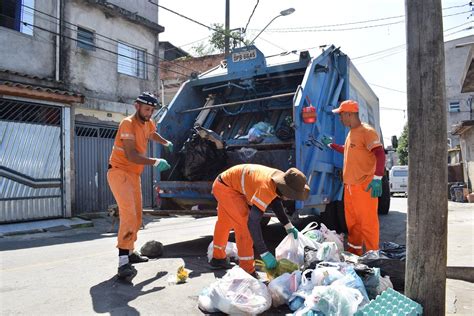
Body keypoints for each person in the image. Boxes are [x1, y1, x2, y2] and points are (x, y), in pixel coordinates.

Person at [107, 92, 173, 281]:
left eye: (152, 110)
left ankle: (130, 252)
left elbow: (152, 133)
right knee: (128, 214)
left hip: (134, 175)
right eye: (146, 109)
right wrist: (155, 161)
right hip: (119, 172)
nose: (149, 113)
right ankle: (122, 264)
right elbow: (131, 156)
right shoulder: (127, 123)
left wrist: (165, 142)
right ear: (137, 106)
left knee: (137, 216)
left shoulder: (147, 121)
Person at [209, 164, 310, 277]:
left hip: (225, 183)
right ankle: (247, 270)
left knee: (225, 222)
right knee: (244, 225)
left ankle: (217, 259)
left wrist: (288, 225)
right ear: (286, 189)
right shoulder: (266, 187)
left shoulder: (280, 179)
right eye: (292, 195)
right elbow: (252, 222)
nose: (292, 198)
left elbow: (275, 202)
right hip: (226, 188)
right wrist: (264, 252)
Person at [322, 100, 386, 256]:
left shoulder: (367, 131)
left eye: (341, 115)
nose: (340, 119)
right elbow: (349, 150)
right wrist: (332, 146)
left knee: (368, 225)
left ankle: (373, 258)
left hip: (365, 186)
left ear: (349, 114)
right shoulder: (351, 133)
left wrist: (377, 178)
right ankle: (354, 255)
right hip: (350, 187)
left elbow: (380, 153)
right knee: (353, 226)